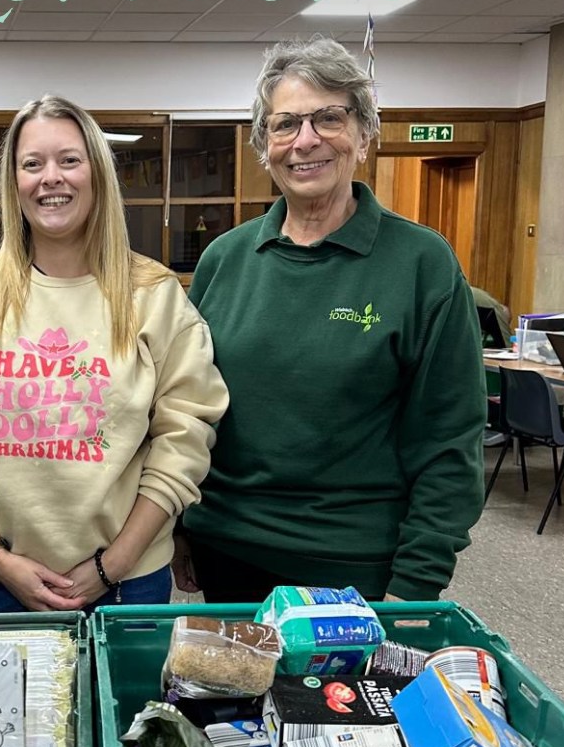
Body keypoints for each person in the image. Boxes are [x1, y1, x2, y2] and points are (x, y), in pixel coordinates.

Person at [175, 37, 485, 605]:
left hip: (355, 569)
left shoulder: (422, 264)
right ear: (265, 146)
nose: (306, 140)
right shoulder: (225, 258)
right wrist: (179, 527)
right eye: (285, 124)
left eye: (329, 118)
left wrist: (415, 585)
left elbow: (449, 439)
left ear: (364, 136)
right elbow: (185, 410)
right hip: (226, 551)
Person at [0, 93, 229, 613]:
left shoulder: (153, 294)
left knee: (126, 700)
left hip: (128, 585)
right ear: (14, 184)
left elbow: (184, 439)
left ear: (97, 174)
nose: (50, 177)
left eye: (69, 160)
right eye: (31, 164)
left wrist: (112, 567)